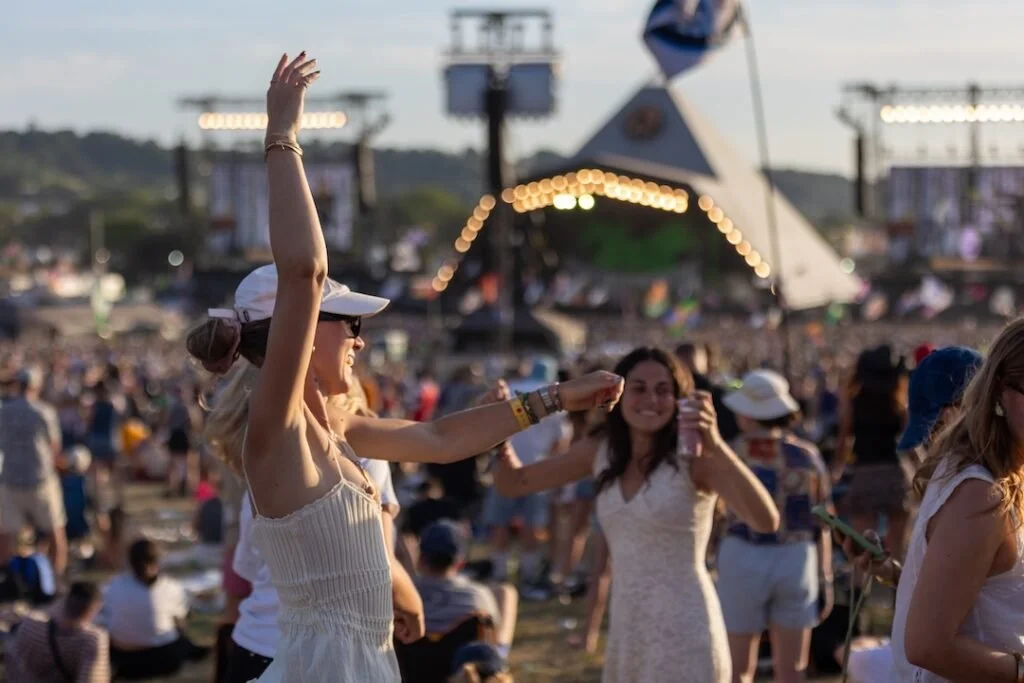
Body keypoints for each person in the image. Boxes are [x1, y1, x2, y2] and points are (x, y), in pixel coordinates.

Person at [184, 52, 623, 683]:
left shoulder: (337, 429)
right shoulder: (277, 433)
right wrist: (282, 136)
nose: (361, 342)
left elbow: (443, 438)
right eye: (350, 325)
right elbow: (304, 274)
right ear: (302, 334)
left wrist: (555, 399)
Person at [491, 347, 779, 683]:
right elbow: (514, 482)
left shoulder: (694, 459)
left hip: (686, 625)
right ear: (618, 394)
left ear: (678, 399)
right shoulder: (601, 451)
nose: (651, 400)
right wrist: (501, 423)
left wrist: (714, 444)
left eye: (663, 390)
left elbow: (766, 520)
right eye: (639, 388)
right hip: (628, 627)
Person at [891, 320, 1024, 681]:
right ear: (998, 391)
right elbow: (925, 645)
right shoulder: (980, 495)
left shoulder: (984, 473)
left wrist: (893, 575)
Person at [716, 370, 833, 683]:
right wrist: (826, 577)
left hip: (741, 554)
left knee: (737, 668)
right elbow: (824, 518)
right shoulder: (808, 456)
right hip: (796, 557)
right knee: (792, 669)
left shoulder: (729, 453)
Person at [98, 538, 207, 679]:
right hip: (164, 658)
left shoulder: (113, 586)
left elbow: (105, 619)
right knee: (182, 637)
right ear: (158, 561)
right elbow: (180, 623)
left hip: (123, 659)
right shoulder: (171, 587)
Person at [0, 367, 67, 576]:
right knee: (56, 532)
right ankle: (54, 582)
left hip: (10, 480)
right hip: (41, 480)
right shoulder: (44, 411)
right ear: (35, 386)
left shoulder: (4, 411)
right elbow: (55, 447)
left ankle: (7, 582)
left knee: (7, 537)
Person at [415, 520, 518, 656]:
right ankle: (499, 655)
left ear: (421, 558)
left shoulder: (404, 595)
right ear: (460, 562)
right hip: (464, 668)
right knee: (506, 592)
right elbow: (492, 630)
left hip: (412, 666)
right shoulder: (476, 595)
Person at [3, 580, 109, 682]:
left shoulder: (30, 626)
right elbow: (92, 679)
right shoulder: (91, 640)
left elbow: (14, 667)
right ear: (94, 608)